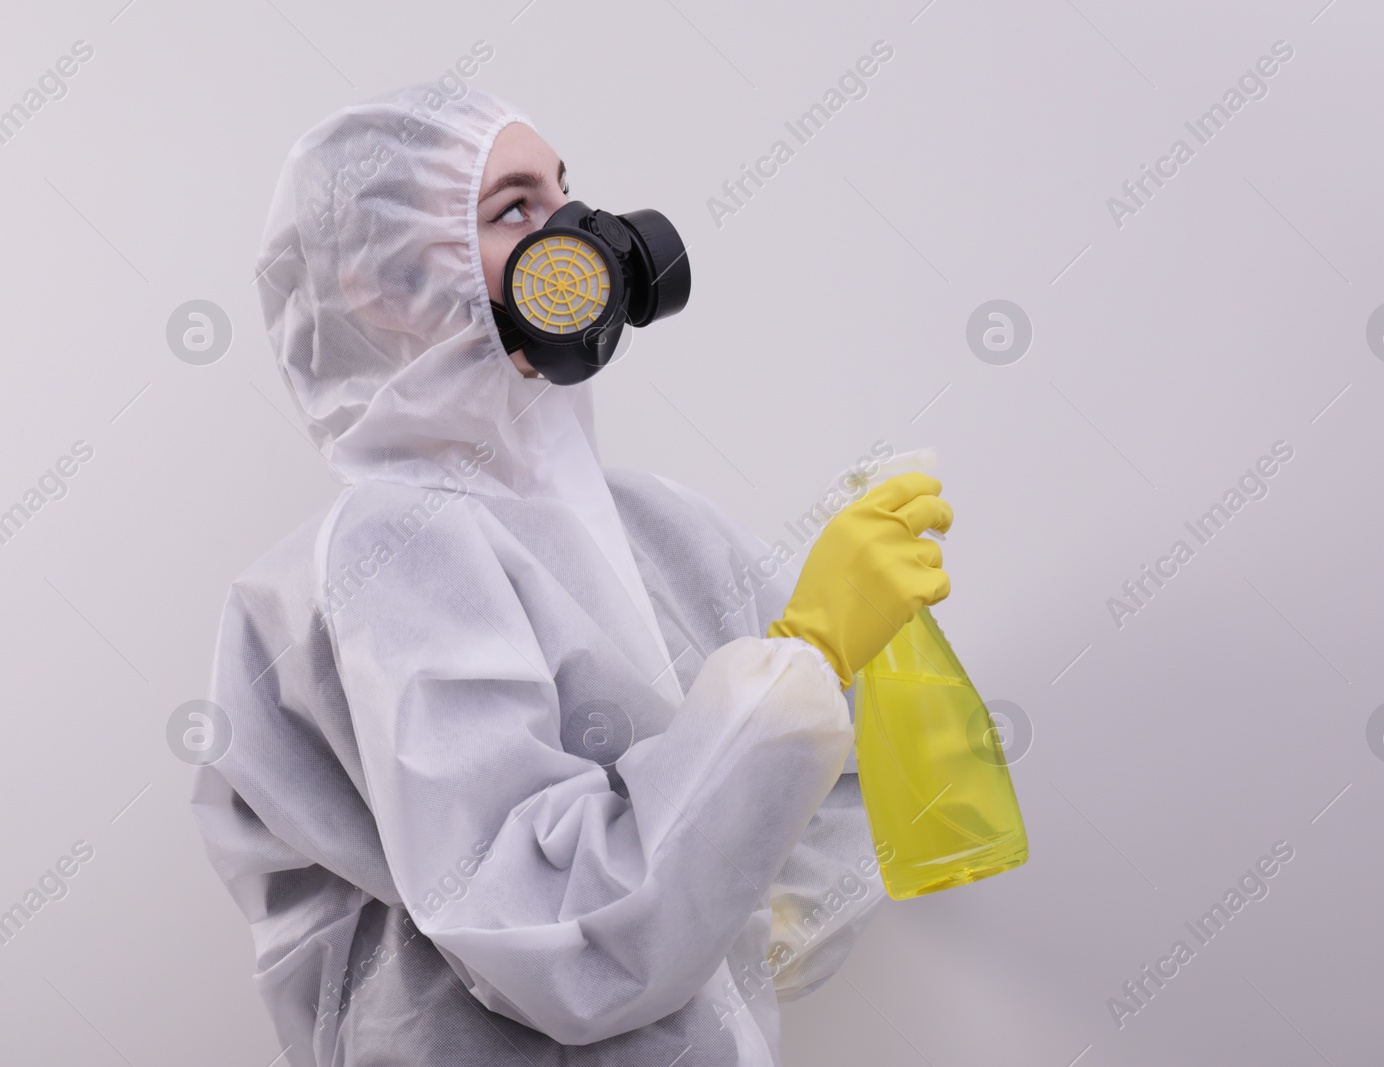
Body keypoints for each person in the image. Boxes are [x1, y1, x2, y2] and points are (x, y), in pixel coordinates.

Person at [191, 82, 953, 1066]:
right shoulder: (392, 551)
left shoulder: (651, 526)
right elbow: (546, 926)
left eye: (565, 194)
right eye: (516, 209)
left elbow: (815, 817)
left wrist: (752, 892)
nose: (585, 237)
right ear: (381, 283)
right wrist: (802, 661)